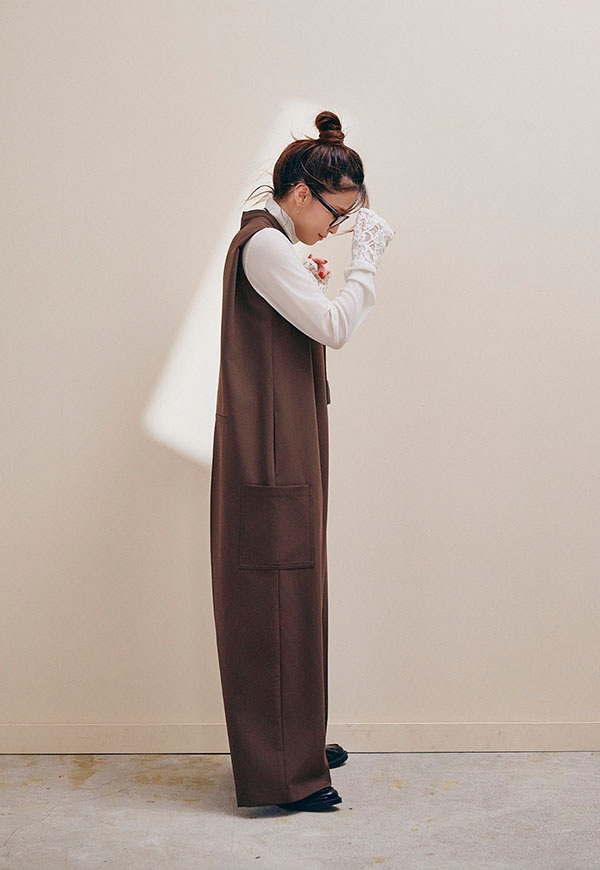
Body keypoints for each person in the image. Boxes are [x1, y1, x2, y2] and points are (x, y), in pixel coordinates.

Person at [210, 110, 395, 812]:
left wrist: (311, 268)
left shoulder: (273, 242)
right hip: (272, 452)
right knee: (276, 598)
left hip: (283, 443)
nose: (338, 229)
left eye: (349, 223)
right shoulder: (265, 246)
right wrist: (366, 262)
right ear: (298, 193)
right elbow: (335, 327)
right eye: (336, 215)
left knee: (295, 592)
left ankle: (299, 747)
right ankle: (285, 775)